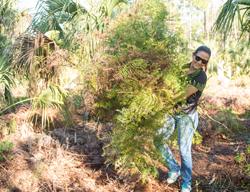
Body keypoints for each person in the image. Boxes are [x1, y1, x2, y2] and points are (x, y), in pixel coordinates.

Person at [154, 46, 211, 192]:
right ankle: (174, 168)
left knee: (184, 151)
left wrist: (162, 98)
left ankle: (187, 182)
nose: (199, 62)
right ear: (193, 55)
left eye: (203, 61)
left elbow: (181, 95)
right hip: (172, 111)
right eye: (198, 58)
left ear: (206, 63)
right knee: (158, 140)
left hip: (187, 115)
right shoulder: (181, 68)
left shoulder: (201, 77)